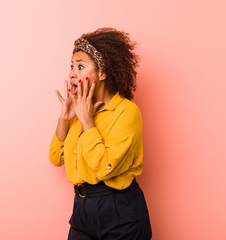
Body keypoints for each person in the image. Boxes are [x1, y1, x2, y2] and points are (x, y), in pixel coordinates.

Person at [48, 28, 152, 240]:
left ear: (102, 72)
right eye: (71, 67)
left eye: (80, 66)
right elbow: (56, 158)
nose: (71, 73)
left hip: (119, 211)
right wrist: (65, 119)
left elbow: (106, 168)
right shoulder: (79, 111)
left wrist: (87, 122)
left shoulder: (126, 112)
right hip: (82, 211)